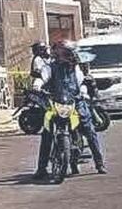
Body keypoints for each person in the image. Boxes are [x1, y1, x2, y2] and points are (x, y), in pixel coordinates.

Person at [34, 41, 106, 179]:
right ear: (58, 54)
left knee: (89, 130)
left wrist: (84, 92)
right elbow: (43, 78)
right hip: (56, 103)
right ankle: (41, 168)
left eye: (71, 53)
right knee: (47, 132)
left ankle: (99, 163)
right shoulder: (50, 67)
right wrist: (37, 86)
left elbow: (82, 82)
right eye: (67, 53)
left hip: (76, 102)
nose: (71, 56)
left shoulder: (76, 68)